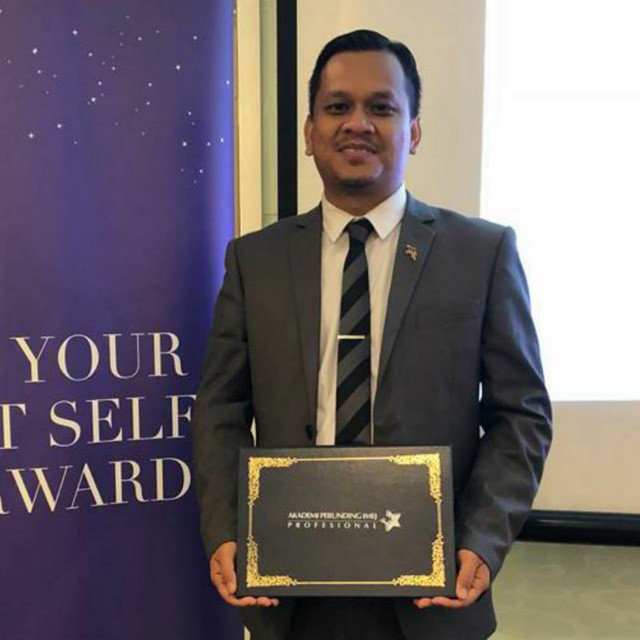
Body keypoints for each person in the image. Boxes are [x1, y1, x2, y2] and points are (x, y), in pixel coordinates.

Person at [192, 29, 552, 640]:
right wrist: (227, 529)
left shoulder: (482, 253)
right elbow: (220, 409)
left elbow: (522, 414)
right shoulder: (254, 261)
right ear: (309, 132)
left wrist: (481, 538)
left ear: (413, 130)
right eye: (337, 107)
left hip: (433, 593)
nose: (357, 123)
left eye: (381, 107)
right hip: (287, 589)